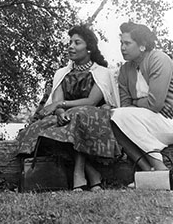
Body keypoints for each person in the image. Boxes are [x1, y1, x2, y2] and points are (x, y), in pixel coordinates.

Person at [16, 25, 121, 191]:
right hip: (68, 116)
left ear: (89, 49)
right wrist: (60, 112)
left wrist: (60, 105)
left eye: (77, 43)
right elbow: (56, 101)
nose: (71, 46)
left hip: (93, 117)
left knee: (79, 115)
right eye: (70, 42)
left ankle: (78, 173)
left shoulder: (102, 73)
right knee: (39, 128)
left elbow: (92, 101)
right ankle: (92, 172)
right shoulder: (61, 73)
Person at [111, 22, 173, 172]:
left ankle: (159, 167)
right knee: (114, 118)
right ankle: (146, 170)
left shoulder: (159, 59)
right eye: (121, 43)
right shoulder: (125, 70)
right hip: (148, 122)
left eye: (127, 43)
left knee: (118, 115)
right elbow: (125, 106)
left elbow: (155, 104)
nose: (122, 48)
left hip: (168, 119)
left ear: (142, 45)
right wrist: (140, 103)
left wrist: (136, 101)